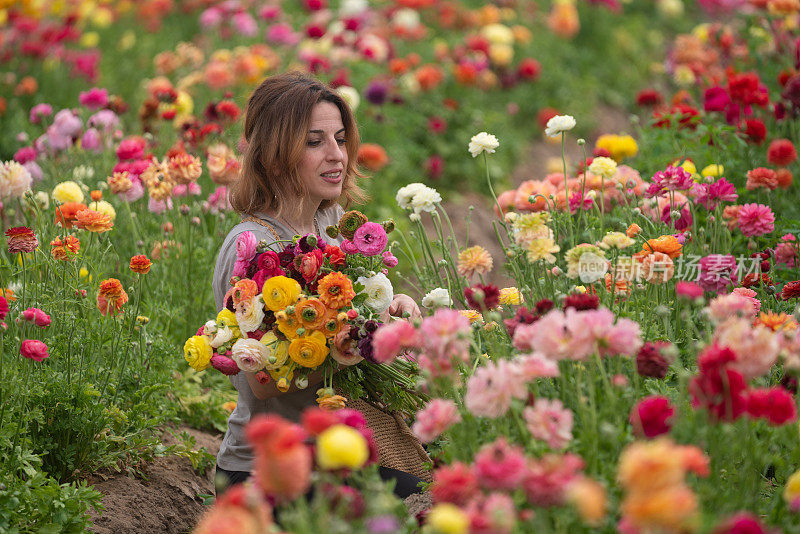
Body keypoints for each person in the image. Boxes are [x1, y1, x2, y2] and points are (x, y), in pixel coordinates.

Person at [212, 71, 423, 498]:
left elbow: (357, 311)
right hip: (266, 470)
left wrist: (389, 311)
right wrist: (348, 340)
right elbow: (261, 383)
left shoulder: (327, 224)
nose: (336, 155)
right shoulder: (254, 247)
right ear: (273, 155)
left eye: (340, 139)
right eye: (314, 142)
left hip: (329, 451)